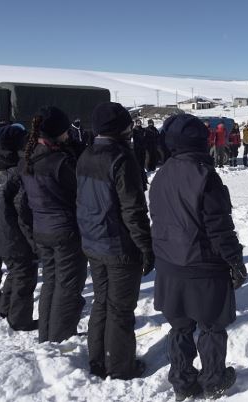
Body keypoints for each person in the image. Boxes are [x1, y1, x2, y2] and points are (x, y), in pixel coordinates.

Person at [149, 114, 246, 400]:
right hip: (202, 265)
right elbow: (219, 227)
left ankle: (182, 380)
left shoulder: (162, 173)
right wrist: (235, 261)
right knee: (212, 325)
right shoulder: (205, 176)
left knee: (180, 326)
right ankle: (213, 379)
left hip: (169, 265)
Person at [76, 102, 154, 380]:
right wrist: (145, 245)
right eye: (128, 125)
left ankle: (98, 360)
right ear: (119, 128)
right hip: (118, 246)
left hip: (93, 241)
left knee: (101, 303)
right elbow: (133, 209)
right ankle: (120, 367)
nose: (132, 129)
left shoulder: (85, 154)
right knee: (120, 309)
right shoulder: (121, 158)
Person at [20, 106, 87, 343]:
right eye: (66, 131)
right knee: (68, 285)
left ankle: (47, 333)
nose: (69, 134)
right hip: (64, 230)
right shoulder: (59, 162)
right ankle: (60, 337)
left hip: (42, 228)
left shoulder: (29, 157)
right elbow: (80, 192)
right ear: (59, 132)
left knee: (51, 281)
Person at [0, 125, 38, 330]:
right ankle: (20, 319)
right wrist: (33, 241)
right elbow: (23, 214)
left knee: (15, 272)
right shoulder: (15, 173)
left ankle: (5, 309)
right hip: (13, 236)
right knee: (24, 276)